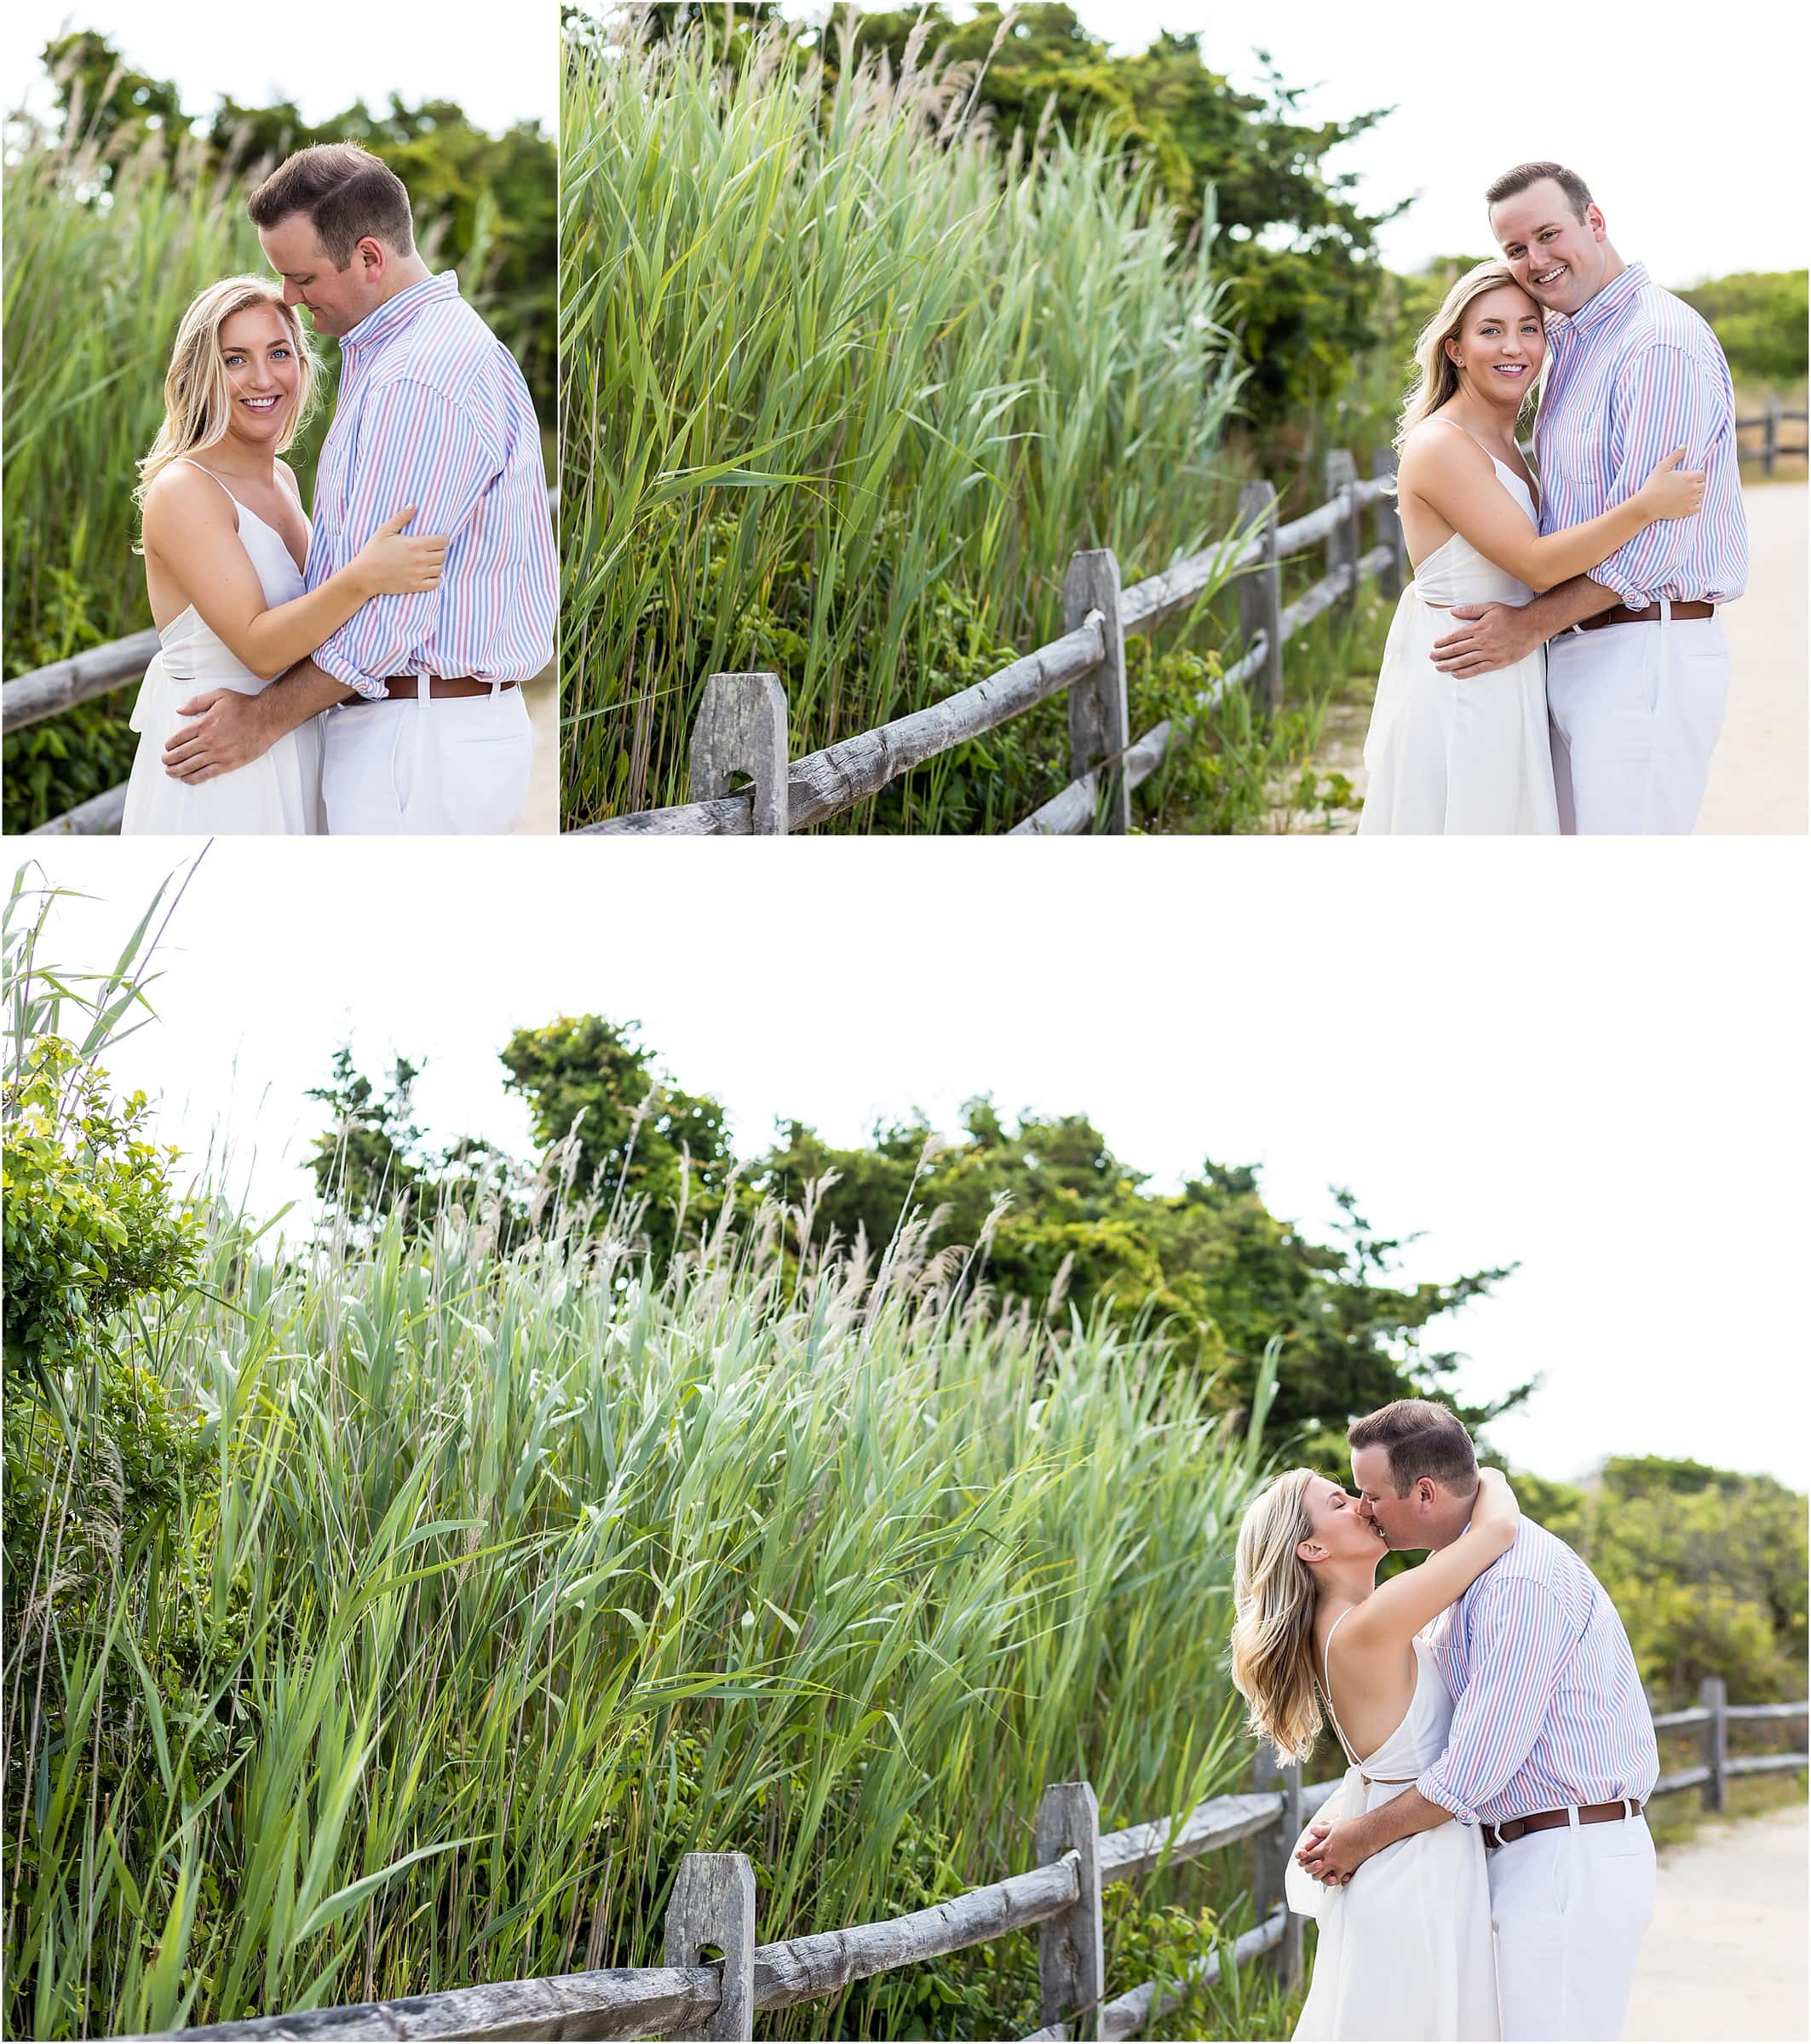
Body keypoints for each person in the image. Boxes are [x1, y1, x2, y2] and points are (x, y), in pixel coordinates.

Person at [158, 143, 558, 834]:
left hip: (417, 742)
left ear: (369, 258)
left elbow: (390, 612)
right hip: (404, 733)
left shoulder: (417, 378)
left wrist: (263, 720)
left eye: (302, 276)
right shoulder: (403, 357)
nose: (288, 295)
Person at [1296, 1400, 1660, 2042]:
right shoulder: (1461, 1581)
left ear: (1426, 1491)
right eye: (1352, 1497)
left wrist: (1358, 1836)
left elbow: (1473, 1770)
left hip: (1564, 1857)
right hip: (1502, 1858)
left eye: (1371, 1493)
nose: (1365, 1508)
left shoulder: (1518, 1584)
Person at [1426, 163, 1748, 834]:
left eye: (1548, 235)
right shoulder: (1569, 341)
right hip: (1571, 654)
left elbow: (1661, 541)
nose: (1536, 261)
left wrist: (1530, 625)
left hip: (1641, 654)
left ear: (1594, 223)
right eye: (1515, 249)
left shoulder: (1657, 344)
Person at [1359, 261, 1705, 834]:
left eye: (1529, 327)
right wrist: (1645, 506)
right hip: (1469, 671)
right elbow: (1535, 562)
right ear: (1455, 350)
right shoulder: (1442, 444)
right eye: (1490, 330)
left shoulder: (1503, 439)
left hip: (1505, 662)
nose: (1513, 346)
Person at [123, 278, 446, 835]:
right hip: (218, 763)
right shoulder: (184, 490)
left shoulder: (281, 479)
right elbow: (260, 647)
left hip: (288, 739)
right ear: (201, 375)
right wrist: (365, 577)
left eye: (279, 353)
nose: (263, 378)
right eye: (235, 360)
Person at [1232, 1455, 1519, 2037]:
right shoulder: (1366, 1626)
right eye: (1338, 1503)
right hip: (1411, 1871)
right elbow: (1499, 1529)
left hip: (1412, 1859)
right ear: (1312, 1550)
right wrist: (1480, 1472)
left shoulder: (1355, 1622)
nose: (1362, 1505)